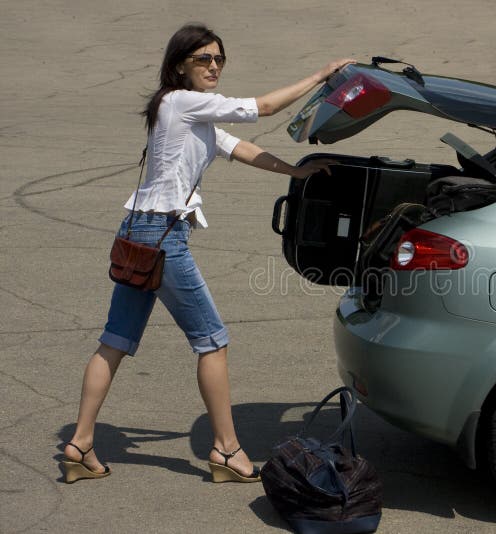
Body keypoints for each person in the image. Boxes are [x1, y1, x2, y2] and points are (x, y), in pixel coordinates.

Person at [60, 23, 355, 483]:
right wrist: (321, 74)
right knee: (212, 340)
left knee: (115, 340)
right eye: (203, 59)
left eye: (219, 58)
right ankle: (227, 450)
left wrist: (296, 173)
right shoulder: (183, 102)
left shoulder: (184, 113)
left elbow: (242, 148)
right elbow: (266, 107)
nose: (214, 66)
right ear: (180, 64)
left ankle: (79, 444)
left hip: (139, 230)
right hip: (163, 236)